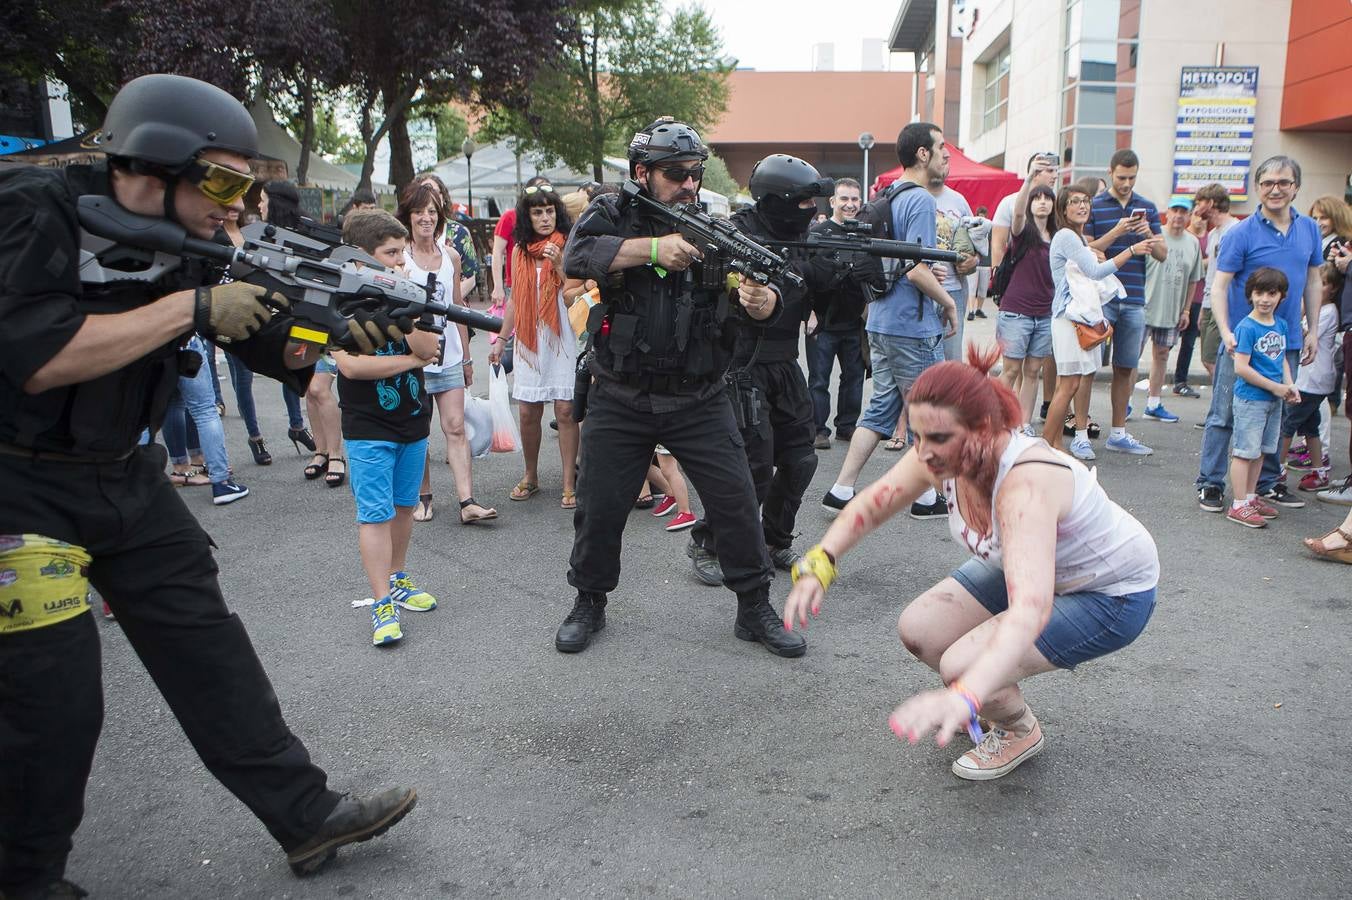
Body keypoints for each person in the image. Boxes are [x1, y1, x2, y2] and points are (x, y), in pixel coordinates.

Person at [0, 73, 414, 899]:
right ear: (156, 162)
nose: (240, 204)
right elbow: (34, 355)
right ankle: (26, 876)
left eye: (249, 186)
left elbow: (271, 346)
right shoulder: (33, 208)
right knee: (55, 700)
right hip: (18, 487)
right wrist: (192, 308)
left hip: (125, 477)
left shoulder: (202, 245)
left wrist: (330, 332)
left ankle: (305, 817)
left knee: (211, 656)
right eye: (225, 181)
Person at [783, 346, 1158, 780]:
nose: (923, 454)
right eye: (917, 436)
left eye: (937, 439)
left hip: (1112, 594)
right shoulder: (943, 448)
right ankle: (989, 699)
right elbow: (873, 503)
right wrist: (820, 563)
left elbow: (1028, 612)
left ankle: (1018, 729)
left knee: (961, 668)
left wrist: (966, 694)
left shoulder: (1026, 486)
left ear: (985, 429)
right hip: (1042, 567)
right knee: (921, 629)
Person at [554, 117, 803, 658]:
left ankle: (754, 606)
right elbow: (575, 258)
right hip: (620, 394)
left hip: (698, 396)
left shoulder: (714, 228)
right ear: (643, 173)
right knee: (599, 506)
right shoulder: (612, 214)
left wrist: (766, 302)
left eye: (695, 173)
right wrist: (652, 250)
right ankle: (589, 600)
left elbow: (761, 288)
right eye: (675, 174)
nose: (689, 184)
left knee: (737, 501)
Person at [686, 153, 832, 584]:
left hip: (785, 363)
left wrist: (846, 275)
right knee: (752, 464)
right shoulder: (737, 233)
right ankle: (709, 541)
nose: (813, 211)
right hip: (740, 364)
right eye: (805, 202)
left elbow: (822, 286)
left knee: (801, 458)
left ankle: (773, 539)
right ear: (779, 199)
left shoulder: (811, 238)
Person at [821, 122, 959, 521]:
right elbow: (916, 269)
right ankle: (929, 497)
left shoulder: (889, 194)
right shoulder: (919, 200)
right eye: (941, 147)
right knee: (929, 410)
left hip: (880, 318)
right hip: (910, 325)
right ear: (922, 154)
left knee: (882, 406)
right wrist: (948, 302)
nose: (946, 155)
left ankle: (842, 488)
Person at [334, 209, 442, 643]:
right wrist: (413, 360)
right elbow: (352, 367)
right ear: (361, 256)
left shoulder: (410, 291)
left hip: (413, 420)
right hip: (367, 426)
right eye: (390, 252)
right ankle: (381, 603)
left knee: (403, 505)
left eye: (401, 252)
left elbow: (429, 348)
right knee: (374, 514)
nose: (400, 260)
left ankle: (397, 579)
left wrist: (406, 303)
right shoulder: (340, 301)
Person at [1196, 155, 1324, 513]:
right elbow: (1219, 287)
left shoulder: (1310, 230)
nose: (1276, 189)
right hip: (1244, 343)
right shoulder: (1241, 233)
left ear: (1296, 187)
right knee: (1224, 414)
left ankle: (1264, 485)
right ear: (1257, 188)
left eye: (1284, 182)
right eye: (1268, 183)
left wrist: (1312, 330)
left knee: (1277, 414)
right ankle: (1210, 482)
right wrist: (1225, 331)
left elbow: (1314, 281)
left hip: (1287, 343)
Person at [396, 181, 495, 525]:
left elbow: (458, 311)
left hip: (450, 354)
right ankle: (423, 496)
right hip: (415, 355)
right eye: (419, 212)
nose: (425, 218)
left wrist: (467, 358)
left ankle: (467, 501)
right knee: (418, 428)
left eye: (432, 212)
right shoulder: (401, 259)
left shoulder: (450, 256)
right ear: (407, 216)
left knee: (454, 426)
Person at [1044, 185, 1155, 457]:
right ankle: (1048, 446)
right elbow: (1095, 271)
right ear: (1063, 209)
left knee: (1066, 385)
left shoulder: (1075, 238)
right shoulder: (1068, 236)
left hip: (1073, 318)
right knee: (1068, 385)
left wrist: (1115, 235)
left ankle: (1055, 444)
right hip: (1069, 319)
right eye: (1075, 202)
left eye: (1085, 201)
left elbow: (1090, 253)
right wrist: (1131, 249)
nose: (1082, 206)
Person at [487, 180, 579, 508]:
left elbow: (577, 290)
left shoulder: (569, 244)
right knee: (528, 411)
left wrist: (559, 264)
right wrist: (500, 339)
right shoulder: (519, 250)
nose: (544, 218)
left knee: (566, 410)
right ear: (527, 217)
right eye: (537, 212)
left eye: (549, 211)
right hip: (529, 340)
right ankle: (531, 475)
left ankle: (569, 482)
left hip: (563, 338)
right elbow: (513, 301)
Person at [1083, 148, 1167, 456]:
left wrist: (1148, 233)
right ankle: (1081, 430)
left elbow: (1162, 254)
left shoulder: (1146, 207)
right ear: (1110, 171)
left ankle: (1119, 432)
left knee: (1125, 367)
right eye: (1121, 177)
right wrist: (1118, 231)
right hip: (1099, 296)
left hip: (1133, 297)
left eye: (1132, 177)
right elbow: (1085, 248)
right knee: (1087, 367)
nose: (1127, 183)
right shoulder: (1093, 206)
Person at [1225, 268, 1301, 527]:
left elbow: (1282, 362)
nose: (1265, 299)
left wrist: (1289, 385)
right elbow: (1241, 368)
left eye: (1271, 293)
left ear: (1282, 296)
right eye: (1259, 293)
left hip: (1273, 399)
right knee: (1245, 452)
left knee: (1260, 452)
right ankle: (1237, 505)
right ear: (1250, 295)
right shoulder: (1247, 327)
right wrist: (1275, 387)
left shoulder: (1280, 324)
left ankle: (1249, 496)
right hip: (1251, 399)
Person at [992, 154, 1059, 420]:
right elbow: (1017, 213)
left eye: (1047, 198)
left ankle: (1022, 424)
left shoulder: (1059, 236)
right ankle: (988, 418)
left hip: (1045, 314)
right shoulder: (1023, 233)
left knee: (1033, 372)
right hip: (1016, 312)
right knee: (1010, 371)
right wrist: (1030, 177)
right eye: (1037, 198)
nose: (1042, 202)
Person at [805, 178, 868, 450]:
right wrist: (809, 314)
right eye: (844, 199)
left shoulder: (864, 235)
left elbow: (871, 278)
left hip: (854, 323)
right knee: (818, 380)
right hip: (822, 323)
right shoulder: (817, 234)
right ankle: (819, 430)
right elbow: (803, 278)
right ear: (832, 202)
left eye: (855, 199)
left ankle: (847, 427)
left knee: (853, 378)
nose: (850, 204)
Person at [1280, 262, 1343, 493]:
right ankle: (1319, 471)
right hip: (1312, 379)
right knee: (1310, 426)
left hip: (1312, 380)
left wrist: (1303, 310)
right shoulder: (1321, 310)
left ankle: (1276, 466)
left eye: (1323, 284)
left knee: (1288, 423)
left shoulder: (1327, 312)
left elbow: (1302, 332)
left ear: (1333, 289)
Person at [1141, 197, 1203, 424]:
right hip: (1145, 305)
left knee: (1162, 355)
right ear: (1167, 212)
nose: (1178, 216)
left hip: (1172, 309)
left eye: (1183, 212)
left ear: (1189, 215)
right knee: (1131, 358)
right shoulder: (1155, 235)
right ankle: (1124, 402)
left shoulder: (1193, 243)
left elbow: (1193, 280)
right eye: (1174, 210)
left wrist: (1186, 310)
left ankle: (1153, 403)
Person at [927, 160, 978, 362]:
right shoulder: (914, 197)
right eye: (937, 158)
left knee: (951, 360)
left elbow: (975, 241)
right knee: (925, 360)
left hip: (954, 289)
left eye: (946, 160)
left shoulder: (959, 201)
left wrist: (973, 260)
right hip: (922, 290)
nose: (942, 164)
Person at [1192, 182, 1240, 388]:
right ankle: (1222, 408)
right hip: (1212, 302)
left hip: (1229, 303)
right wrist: (1204, 306)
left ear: (1210, 203)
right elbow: (1212, 273)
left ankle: (1227, 406)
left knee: (1213, 359)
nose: (1195, 208)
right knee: (1211, 358)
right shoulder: (1213, 234)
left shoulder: (1236, 230)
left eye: (1198, 202)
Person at [967, 204, 993, 321]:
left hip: (986, 262)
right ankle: (971, 310)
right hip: (974, 262)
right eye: (979, 217)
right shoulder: (970, 229)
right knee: (971, 288)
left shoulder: (990, 229)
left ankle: (979, 309)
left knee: (983, 288)